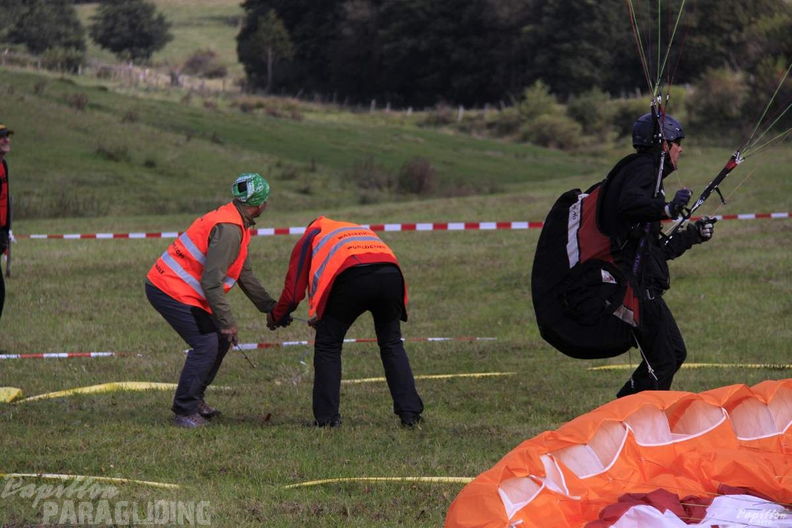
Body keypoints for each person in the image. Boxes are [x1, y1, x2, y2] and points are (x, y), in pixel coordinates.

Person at [598, 112, 716, 398]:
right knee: (663, 360)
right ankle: (633, 421)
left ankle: (624, 408)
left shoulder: (650, 176)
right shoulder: (643, 168)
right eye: (677, 143)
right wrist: (666, 210)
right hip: (636, 290)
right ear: (664, 145)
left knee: (673, 353)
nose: (681, 149)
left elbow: (655, 252)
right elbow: (628, 204)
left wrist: (692, 236)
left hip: (644, 286)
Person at [146, 173, 277, 428]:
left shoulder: (236, 221)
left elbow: (243, 273)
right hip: (168, 288)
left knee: (219, 339)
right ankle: (184, 410)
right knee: (207, 343)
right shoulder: (229, 229)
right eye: (267, 199)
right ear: (260, 203)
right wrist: (227, 322)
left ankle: (194, 401)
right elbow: (211, 281)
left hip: (181, 289)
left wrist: (270, 307)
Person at [267, 217, 424, 428]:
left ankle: (327, 419)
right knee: (391, 343)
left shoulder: (311, 235)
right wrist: (323, 315)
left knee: (328, 345)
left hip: (353, 277)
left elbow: (294, 292)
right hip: (391, 275)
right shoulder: (352, 230)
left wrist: (277, 316)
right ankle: (410, 414)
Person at [0, 123, 14, 321]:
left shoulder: (3, 165)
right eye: (1, 136)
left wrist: (5, 232)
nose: (6, 139)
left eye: (7, 136)